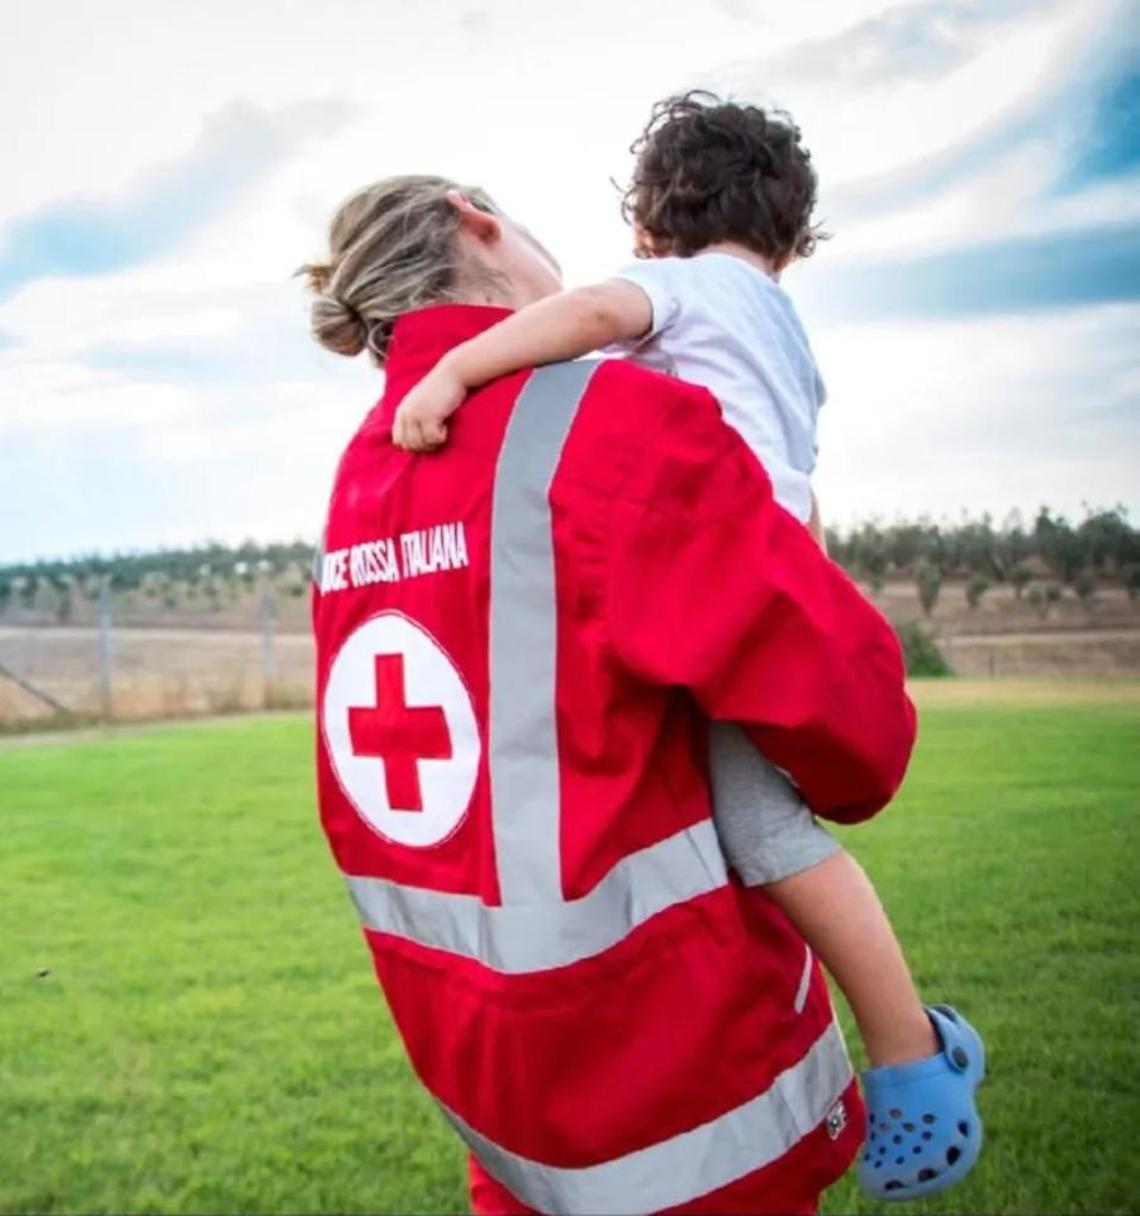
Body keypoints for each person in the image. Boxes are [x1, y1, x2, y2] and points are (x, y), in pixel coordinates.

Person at [299, 173, 968, 1216]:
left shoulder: (364, 469)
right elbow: (858, 731)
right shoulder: (606, 417)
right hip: (687, 1087)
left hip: (492, 1089)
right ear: (477, 219)